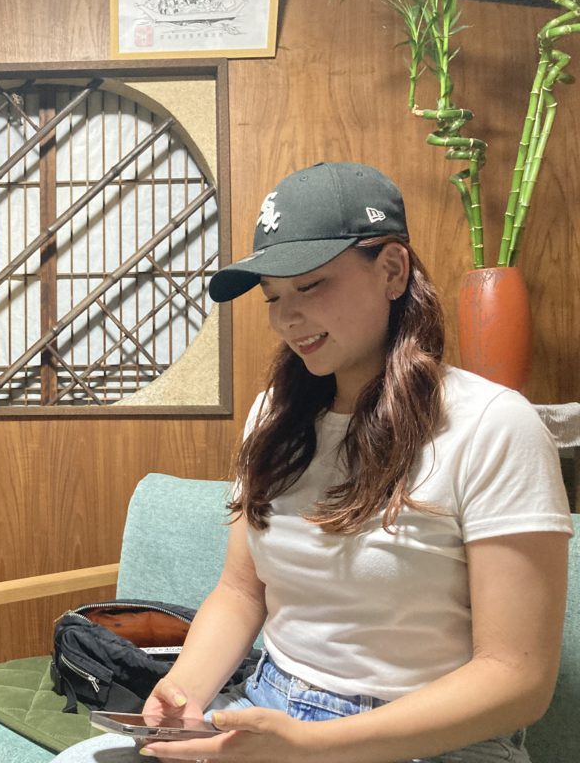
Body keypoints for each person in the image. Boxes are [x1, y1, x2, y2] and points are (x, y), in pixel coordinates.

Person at [52, 161, 573, 763]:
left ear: (392, 270)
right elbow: (241, 591)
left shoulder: (493, 425)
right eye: (273, 297)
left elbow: (516, 679)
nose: (285, 318)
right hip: (270, 707)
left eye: (310, 285)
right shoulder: (274, 414)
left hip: (427, 739)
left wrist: (314, 747)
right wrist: (184, 694)